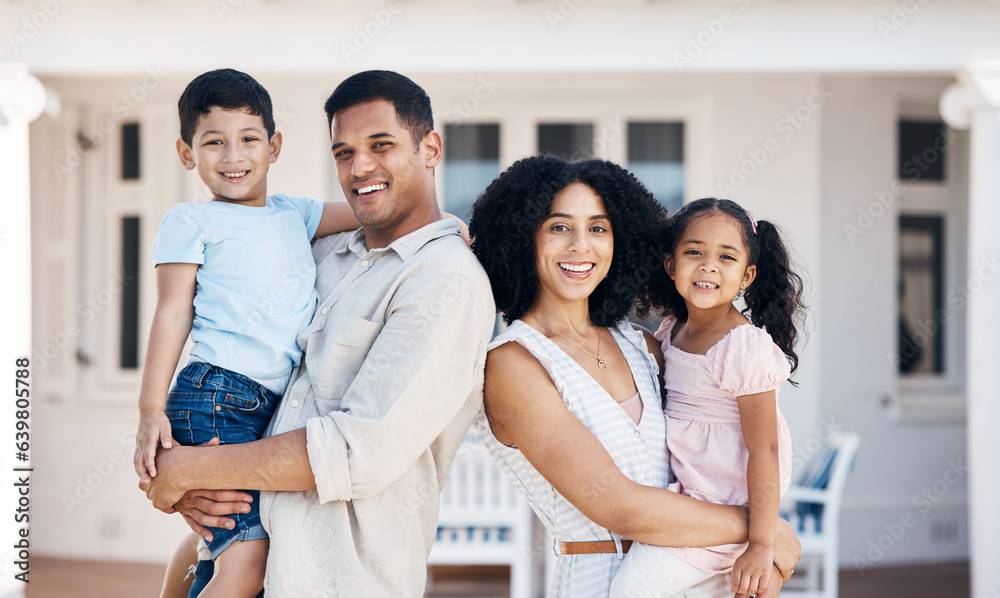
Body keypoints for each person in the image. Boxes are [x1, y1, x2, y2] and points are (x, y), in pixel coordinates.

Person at [141, 70, 496, 597]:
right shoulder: (325, 253)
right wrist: (184, 480)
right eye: (344, 152)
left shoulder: (445, 280)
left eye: (381, 145)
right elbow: (186, 318)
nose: (361, 167)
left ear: (430, 148)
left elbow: (357, 452)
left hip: (332, 579)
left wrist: (187, 468)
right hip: (255, 551)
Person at [468, 156, 801, 598]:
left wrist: (764, 551)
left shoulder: (644, 345)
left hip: (706, 577)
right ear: (523, 237)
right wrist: (764, 527)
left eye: (599, 228)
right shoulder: (515, 364)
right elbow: (619, 507)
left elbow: (735, 441)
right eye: (559, 227)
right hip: (603, 582)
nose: (580, 246)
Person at [132, 68, 365, 598]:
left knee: (222, 551)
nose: (233, 156)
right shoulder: (190, 221)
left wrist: (451, 225)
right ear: (187, 153)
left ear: (274, 146)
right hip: (217, 394)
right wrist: (149, 410)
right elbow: (172, 313)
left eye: (248, 139)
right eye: (214, 142)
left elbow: (371, 214)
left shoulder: (295, 213)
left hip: (269, 406)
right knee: (248, 562)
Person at [611, 197, 806, 597]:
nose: (708, 265)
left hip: (724, 511)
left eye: (726, 257)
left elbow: (764, 449)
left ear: (747, 276)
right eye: (694, 252)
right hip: (689, 503)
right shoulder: (670, 332)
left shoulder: (741, 347)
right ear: (670, 264)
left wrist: (762, 545)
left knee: (631, 590)